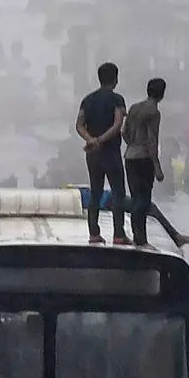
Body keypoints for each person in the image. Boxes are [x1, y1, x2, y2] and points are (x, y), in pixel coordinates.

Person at [122, 78, 189, 249]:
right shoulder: (153, 112)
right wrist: (157, 167)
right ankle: (141, 240)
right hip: (143, 159)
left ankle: (140, 237)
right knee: (143, 200)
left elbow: (124, 132)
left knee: (136, 200)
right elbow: (152, 141)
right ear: (162, 94)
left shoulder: (134, 108)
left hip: (130, 156)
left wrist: (132, 144)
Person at [76, 62, 130, 246]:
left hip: (92, 154)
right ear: (115, 79)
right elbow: (117, 125)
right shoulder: (117, 99)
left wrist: (91, 140)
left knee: (96, 191)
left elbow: (79, 125)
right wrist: (101, 140)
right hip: (111, 152)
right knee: (118, 192)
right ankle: (119, 234)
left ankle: (93, 233)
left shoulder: (88, 100)